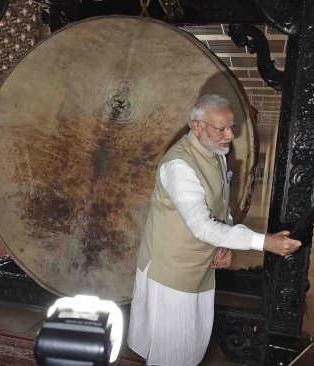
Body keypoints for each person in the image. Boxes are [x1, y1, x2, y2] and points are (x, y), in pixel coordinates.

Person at [126, 94, 302, 365]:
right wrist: (264, 242)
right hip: (171, 273)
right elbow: (202, 226)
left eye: (232, 127)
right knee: (170, 353)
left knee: (191, 346)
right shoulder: (179, 166)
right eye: (222, 128)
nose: (230, 135)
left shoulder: (215, 152)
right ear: (197, 127)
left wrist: (225, 244)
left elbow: (221, 207)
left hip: (200, 267)